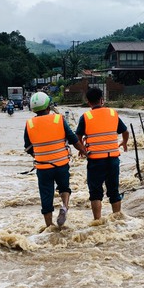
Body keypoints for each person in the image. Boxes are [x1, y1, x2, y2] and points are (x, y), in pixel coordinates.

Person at [24, 91, 86, 228]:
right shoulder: (59, 119)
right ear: (48, 106)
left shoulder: (29, 124)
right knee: (64, 188)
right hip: (61, 164)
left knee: (46, 195)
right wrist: (83, 151)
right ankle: (64, 206)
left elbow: (28, 147)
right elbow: (74, 140)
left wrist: (38, 156)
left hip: (43, 167)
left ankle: (49, 227)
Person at [76, 87, 129, 220]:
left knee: (95, 193)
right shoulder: (113, 113)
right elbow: (125, 132)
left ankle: (97, 221)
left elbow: (77, 137)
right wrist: (124, 142)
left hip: (95, 160)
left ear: (88, 102)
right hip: (113, 159)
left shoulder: (85, 117)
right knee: (114, 192)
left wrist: (82, 149)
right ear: (102, 100)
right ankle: (117, 220)